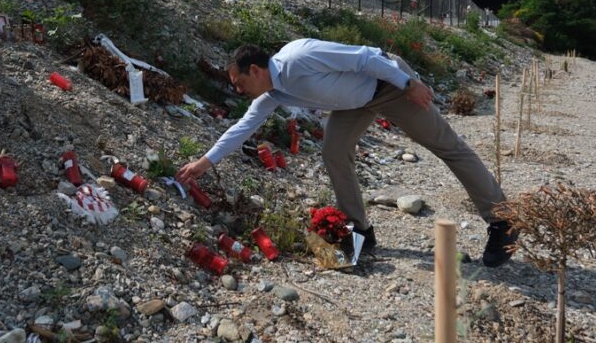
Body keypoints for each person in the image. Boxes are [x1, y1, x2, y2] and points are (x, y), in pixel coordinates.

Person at [175, 39, 517, 267]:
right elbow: (242, 128)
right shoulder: (273, 95)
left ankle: (503, 222)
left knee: (447, 147)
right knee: (334, 152)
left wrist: (409, 84)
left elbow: (367, 58)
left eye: (238, 83)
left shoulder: (299, 56)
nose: (237, 90)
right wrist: (205, 162)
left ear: (255, 71)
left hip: (388, 84)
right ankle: (360, 230)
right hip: (357, 101)